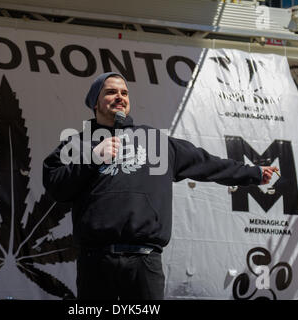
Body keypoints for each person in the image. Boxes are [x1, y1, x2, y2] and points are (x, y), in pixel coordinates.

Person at [42, 72, 278, 300]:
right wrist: (92, 158)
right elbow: (56, 186)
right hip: (96, 261)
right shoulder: (78, 143)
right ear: (95, 102)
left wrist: (254, 173)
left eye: (124, 93)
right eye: (111, 92)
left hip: (145, 262)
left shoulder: (157, 142)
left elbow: (206, 163)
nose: (120, 97)